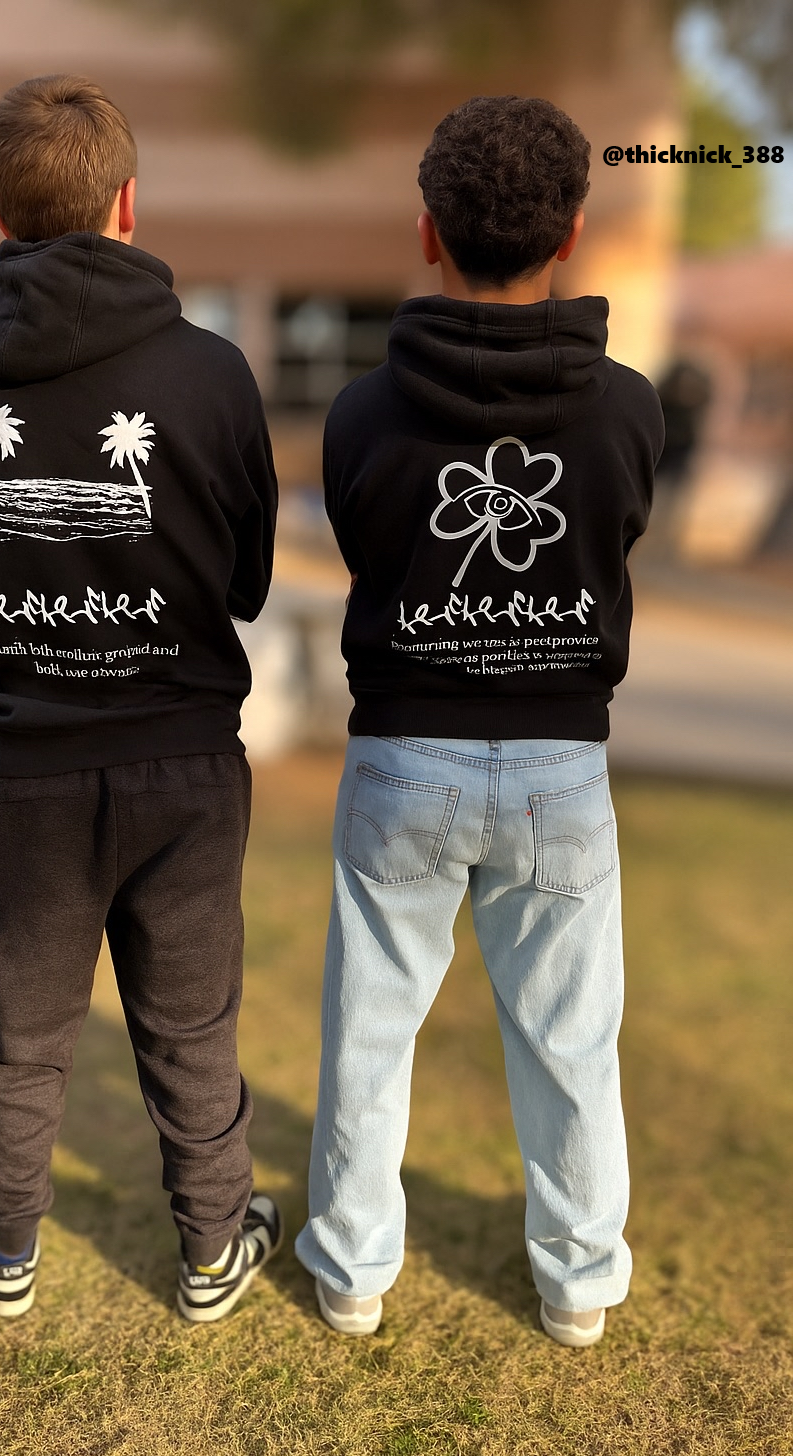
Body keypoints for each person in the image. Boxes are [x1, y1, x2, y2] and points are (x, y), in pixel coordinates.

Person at [295, 96, 664, 1346]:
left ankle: (352, 1270)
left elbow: (365, 548)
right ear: (570, 234)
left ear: (425, 231)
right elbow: (614, 540)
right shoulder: (627, 408)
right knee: (570, 1040)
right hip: (562, 765)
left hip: (402, 756)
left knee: (369, 1029)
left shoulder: (359, 413)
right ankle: (578, 1281)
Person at [0, 74, 281, 1322]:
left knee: (22, 1034)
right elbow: (245, 582)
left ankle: (8, 1246)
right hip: (187, 768)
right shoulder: (214, 371)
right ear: (129, 201)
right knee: (190, 1028)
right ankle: (212, 1248)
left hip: (24, 766)